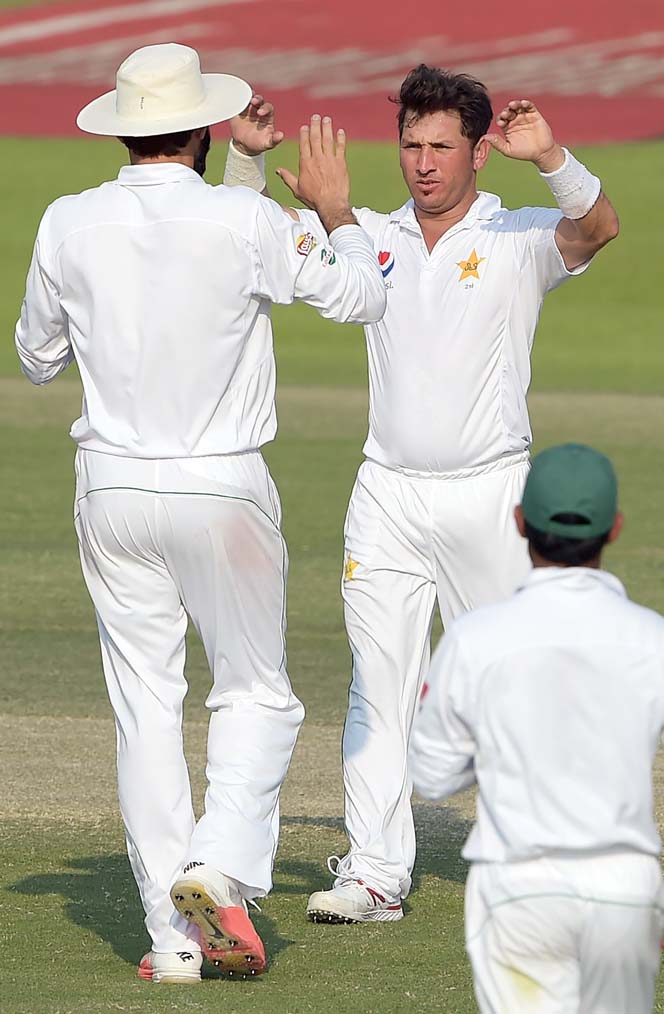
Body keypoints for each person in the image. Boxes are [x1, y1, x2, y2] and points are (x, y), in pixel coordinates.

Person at [14, 43, 385, 984]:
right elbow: (360, 294)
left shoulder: (70, 219)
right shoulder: (243, 220)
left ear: (126, 129)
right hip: (218, 486)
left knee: (145, 709)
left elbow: (37, 357)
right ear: (203, 128)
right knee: (256, 692)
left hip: (111, 489)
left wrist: (249, 173)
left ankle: (173, 942)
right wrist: (337, 214)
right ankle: (219, 865)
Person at [224, 64, 620, 922]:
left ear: (479, 151)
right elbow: (246, 244)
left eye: (441, 146)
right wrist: (248, 161)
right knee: (379, 682)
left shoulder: (516, 235)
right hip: (388, 497)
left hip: (491, 493)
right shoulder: (369, 235)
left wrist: (551, 156)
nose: (423, 163)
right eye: (411, 144)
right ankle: (374, 873)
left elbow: (596, 228)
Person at [408, 442, 664, 1014]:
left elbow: (432, 776)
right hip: (624, 891)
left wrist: (496, 748)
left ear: (518, 523)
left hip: (516, 889)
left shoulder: (474, 639)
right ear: (614, 529)